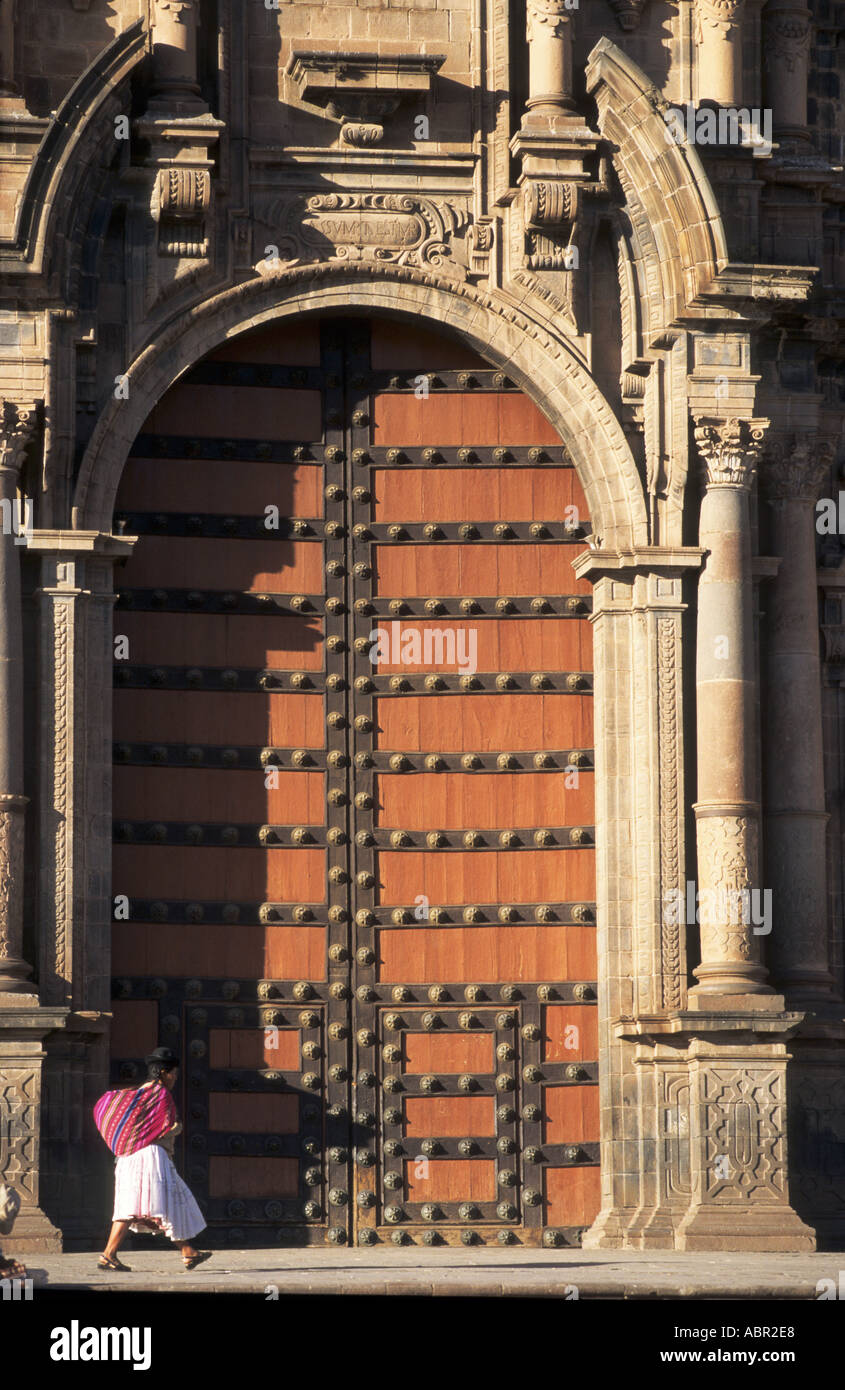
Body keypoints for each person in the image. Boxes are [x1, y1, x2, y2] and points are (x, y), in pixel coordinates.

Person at [99, 1047, 212, 1272]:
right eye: (173, 1074)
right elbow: (165, 1127)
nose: (175, 1079)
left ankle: (187, 1251)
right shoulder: (160, 1095)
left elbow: (135, 1127)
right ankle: (108, 1254)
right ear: (162, 1072)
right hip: (149, 1156)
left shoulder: (138, 1094)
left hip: (128, 1156)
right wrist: (177, 1128)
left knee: (160, 1203)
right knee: (141, 1206)